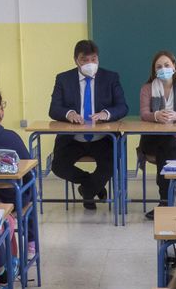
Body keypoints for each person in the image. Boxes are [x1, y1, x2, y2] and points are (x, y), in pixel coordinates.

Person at [47, 39, 126, 211]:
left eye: (94, 59)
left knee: (111, 164)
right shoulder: (63, 79)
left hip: (103, 138)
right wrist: (69, 114)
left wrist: (106, 114)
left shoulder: (111, 78)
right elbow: (54, 109)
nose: (90, 63)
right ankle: (92, 185)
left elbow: (122, 107)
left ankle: (87, 190)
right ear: (76, 60)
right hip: (72, 138)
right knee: (58, 166)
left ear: (98, 59)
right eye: (84, 60)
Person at [138, 50, 176, 217]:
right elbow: (144, 113)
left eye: (166, 65)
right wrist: (156, 116)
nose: (163, 69)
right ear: (154, 70)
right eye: (159, 66)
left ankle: (165, 200)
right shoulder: (147, 88)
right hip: (152, 138)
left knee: (169, 145)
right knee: (168, 145)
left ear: (174, 67)